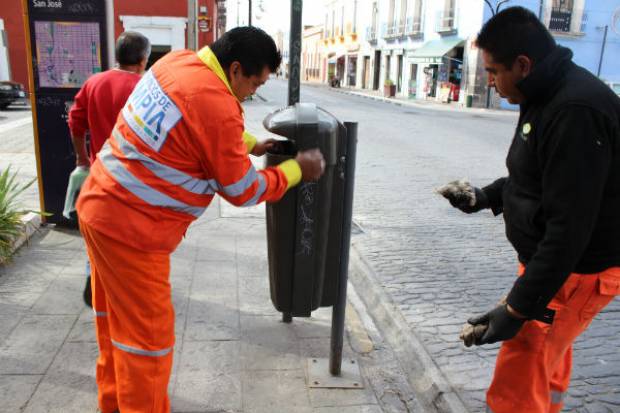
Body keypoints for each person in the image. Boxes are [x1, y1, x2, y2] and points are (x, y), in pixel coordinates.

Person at [76, 26, 325, 413]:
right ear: (236, 69)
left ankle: (112, 405)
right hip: (133, 233)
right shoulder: (216, 104)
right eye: (253, 84)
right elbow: (243, 189)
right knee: (147, 345)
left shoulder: (177, 62)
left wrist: (251, 143)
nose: (251, 93)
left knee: (114, 331)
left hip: (97, 208)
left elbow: (194, 123)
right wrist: (296, 171)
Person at [439, 7, 620, 413]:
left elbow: (568, 228)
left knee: (520, 371)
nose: (490, 81)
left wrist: (518, 308)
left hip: (575, 270)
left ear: (523, 65)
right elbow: (537, 179)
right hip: (554, 267)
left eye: (493, 71)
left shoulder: (575, 112)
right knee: (544, 361)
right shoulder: (543, 93)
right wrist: (485, 197)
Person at [68, 31, 151, 308]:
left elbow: (76, 123)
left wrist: (82, 158)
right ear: (142, 59)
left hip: (100, 173)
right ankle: (126, 288)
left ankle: (95, 276)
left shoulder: (93, 83)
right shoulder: (145, 88)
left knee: (99, 229)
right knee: (131, 235)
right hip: (134, 179)